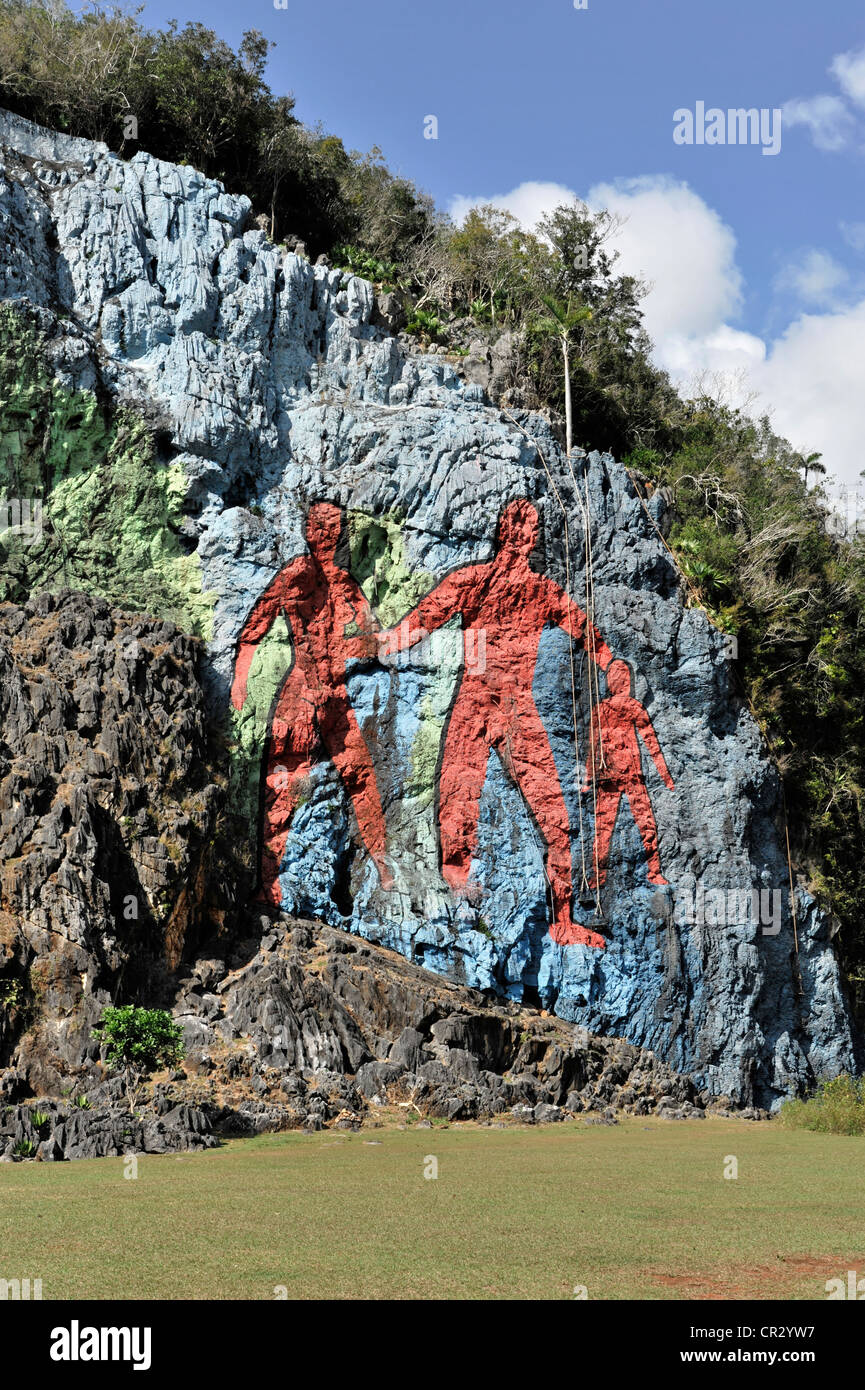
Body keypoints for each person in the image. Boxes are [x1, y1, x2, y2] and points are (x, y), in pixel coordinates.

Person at [379, 498, 612, 950]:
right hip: (474, 699)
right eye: (521, 526)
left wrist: (609, 663)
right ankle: (454, 890)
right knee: (457, 796)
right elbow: (419, 622)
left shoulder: (543, 592)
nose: (528, 535)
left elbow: (584, 628)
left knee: (555, 817)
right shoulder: (474, 581)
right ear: (505, 530)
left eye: (533, 528)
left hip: (518, 706)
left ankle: (562, 921)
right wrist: (374, 644)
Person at [231, 502, 392, 906]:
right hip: (300, 694)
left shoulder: (346, 583)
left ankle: (382, 864)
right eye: (319, 525)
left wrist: (353, 645)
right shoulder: (295, 574)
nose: (327, 533)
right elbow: (254, 628)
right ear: (307, 529)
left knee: (362, 778)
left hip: (336, 696)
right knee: (283, 781)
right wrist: (239, 684)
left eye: (334, 526)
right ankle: (269, 880)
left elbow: (376, 638)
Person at [582, 659, 674, 889]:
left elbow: (651, 742)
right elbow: (594, 747)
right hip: (612, 777)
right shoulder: (605, 710)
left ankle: (651, 872)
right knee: (612, 829)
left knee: (640, 826)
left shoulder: (631, 708)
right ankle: (600, 876)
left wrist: (666, 777)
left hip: (628, 776)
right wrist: (587, 779)